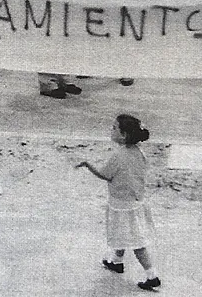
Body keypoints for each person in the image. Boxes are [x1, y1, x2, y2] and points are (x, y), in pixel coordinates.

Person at [76, 114, 161, 292]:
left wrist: (88, 164)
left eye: (114, 128)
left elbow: (105, 174)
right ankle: (116, 261)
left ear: (123, 135)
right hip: (136, 202)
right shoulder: (139, 153)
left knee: (136, 243)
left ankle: (152, 276)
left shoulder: (118, 155)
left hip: (121, 205)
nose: (111, 130)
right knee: (122, 234)